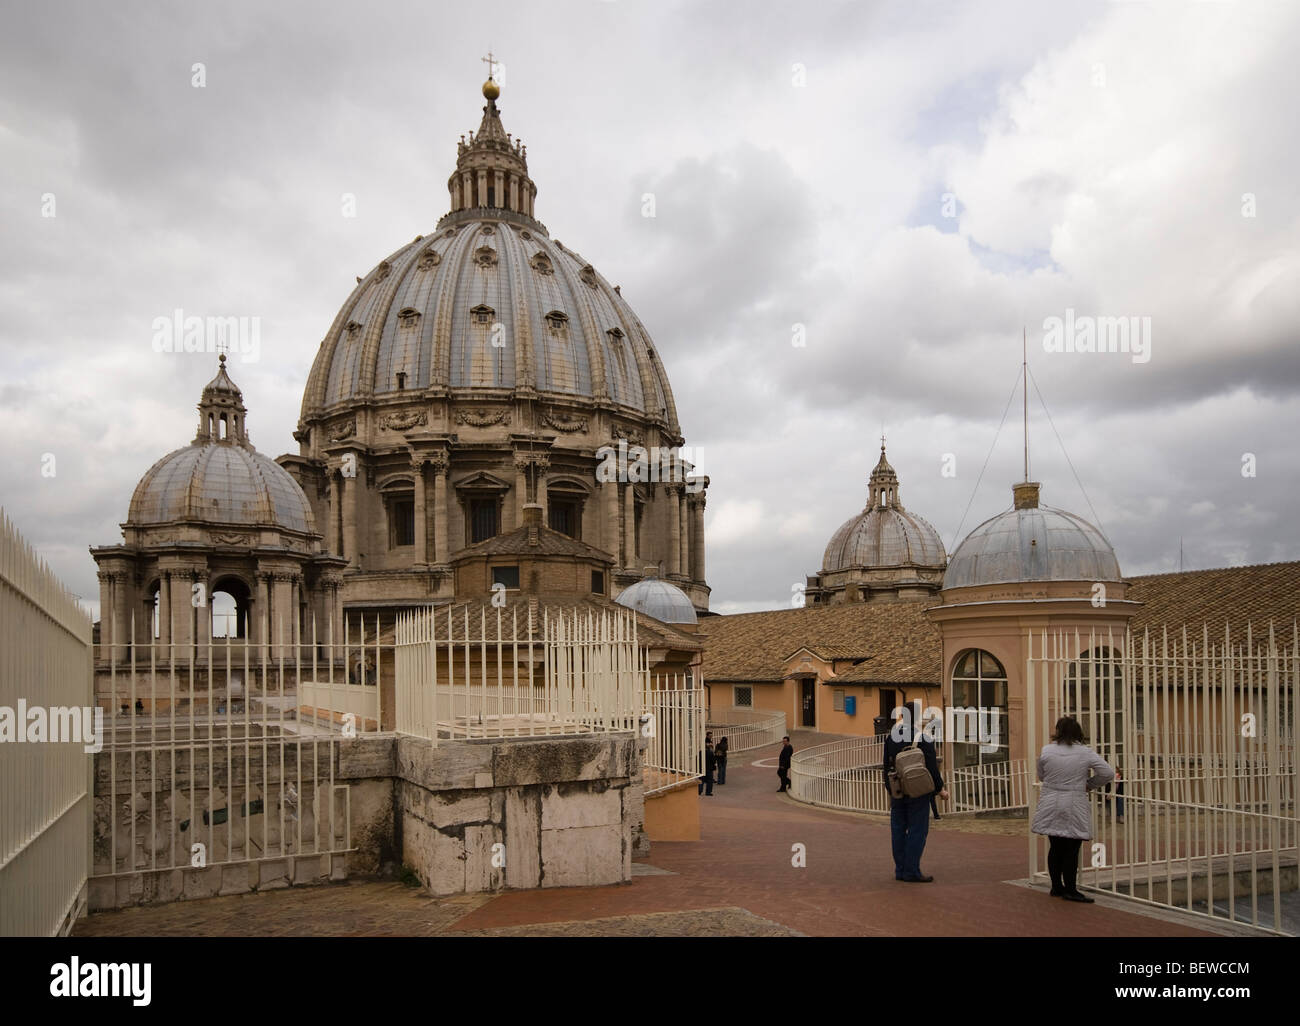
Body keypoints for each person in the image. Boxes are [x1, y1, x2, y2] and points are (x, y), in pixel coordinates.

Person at [1031, 715, 1115, 902]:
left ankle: (1056, 886)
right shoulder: (1085, 752)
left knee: (1055, 846)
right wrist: (1090, 784)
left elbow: (1042, 775)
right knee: (1072, 847)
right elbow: (1108, 772)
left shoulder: (1047, 750)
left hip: (1050, 800)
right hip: (1074, 800)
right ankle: (1070, 889)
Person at [882, 715, 947, 882]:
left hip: (898, 791)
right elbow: (932, 767)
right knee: (917, 830)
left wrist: (891, 789)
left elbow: (886, 765)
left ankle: (900, 870)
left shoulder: (891, 737)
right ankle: (911, 870)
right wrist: (940, 789)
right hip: (918, 791)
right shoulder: (923, 738)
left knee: (897, 830)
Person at [699, 732, 715, 796]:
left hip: (702, 767)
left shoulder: (700, 752)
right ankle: (708, 792)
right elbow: (713, 761)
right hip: (709, 768)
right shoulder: (710, 753)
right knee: (709, 781)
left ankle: (699, 791)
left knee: (701, 780)